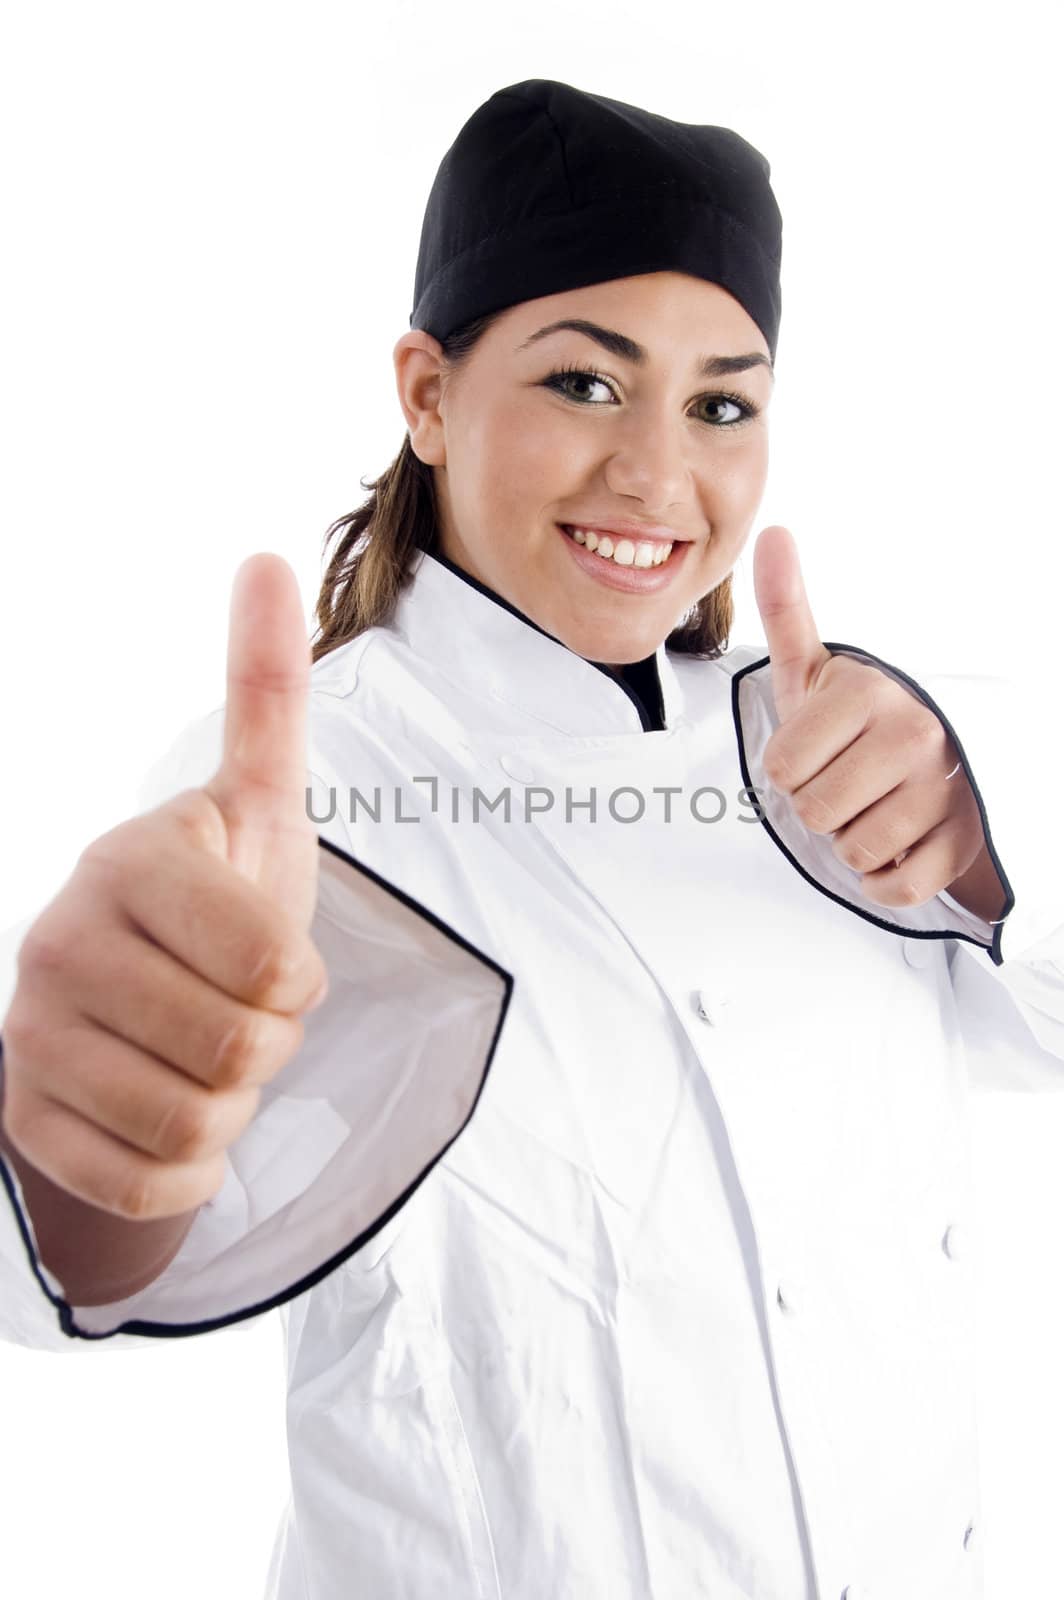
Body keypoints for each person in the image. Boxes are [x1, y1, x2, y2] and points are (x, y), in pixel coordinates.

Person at [1, 76, 1061, 1600]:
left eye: (721, 404)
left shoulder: (850, 754)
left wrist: (979, 845)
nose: (654, 474)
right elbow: (54, 1288)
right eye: (583, 382)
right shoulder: (304, 787)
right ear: (426, 392)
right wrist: (71, 1138)